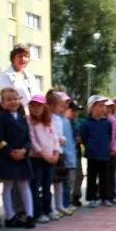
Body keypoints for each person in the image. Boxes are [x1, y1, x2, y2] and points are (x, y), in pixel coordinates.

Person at [0, 88, 35, 228]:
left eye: (15, 98)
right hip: (6, 157)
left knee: (24, 186)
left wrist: (24, 150)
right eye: (9, 99)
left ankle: (29, 215)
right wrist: (10, 152)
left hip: (22, 157)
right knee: (8, 186)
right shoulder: (0, 118)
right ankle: (10, 217)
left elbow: (28, 139)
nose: (13, 102)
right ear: (2, 103)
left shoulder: (22, 118)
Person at [28, 95, 60, 224]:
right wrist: (43, 154)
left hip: (51, 158)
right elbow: (32, 140)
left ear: (44, 107)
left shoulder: (49, 120)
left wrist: (56, 152)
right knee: (35, 186)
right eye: (33, 106)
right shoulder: (29, 121)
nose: (36, 109)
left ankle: (48, 210)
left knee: (47, 186)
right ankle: (38, 212)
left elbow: (55, 138)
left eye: (39, 106)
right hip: (36, 158)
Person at [80, 95, 113, 208]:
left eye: (103, 105)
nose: (103, 108)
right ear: (92, 108)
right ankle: (91, 198)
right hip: (92, 155)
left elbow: (109, 136)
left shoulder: (107, 123)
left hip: (104, 154)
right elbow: (84, 138)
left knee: (105, 177)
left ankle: (105, 198)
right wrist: (90, 146)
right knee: (91, 177)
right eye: (100, 105)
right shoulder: (86, 123)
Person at [46, 90, 71, 220]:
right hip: (50, 153)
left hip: (59, 153)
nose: (63, 108)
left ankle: (60, 205)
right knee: (50, 182)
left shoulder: (58, 119)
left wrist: (62, 139)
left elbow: (60, 134)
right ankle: (51, 208)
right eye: (60, 105)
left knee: (59, 181)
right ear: (50, 105)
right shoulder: (47, 118)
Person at [0, 44, 41, 112]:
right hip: (15, 114)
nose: (23, 59)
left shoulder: (30, 76)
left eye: (26, 56)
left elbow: (38, 95)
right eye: (20, 56)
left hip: (32, 115)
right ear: (13, 58)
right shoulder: (5, 75)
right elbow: (6, 97)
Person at [105, 100, 116, 205]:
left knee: (112, 175)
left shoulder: (113, 120)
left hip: (112, 153)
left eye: (110, 107)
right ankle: (104, 196)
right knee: (104, 176)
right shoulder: (102, 120)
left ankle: (113, 195)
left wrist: (115, 149)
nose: (107, 109)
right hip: (102, 153)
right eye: (106, 107)